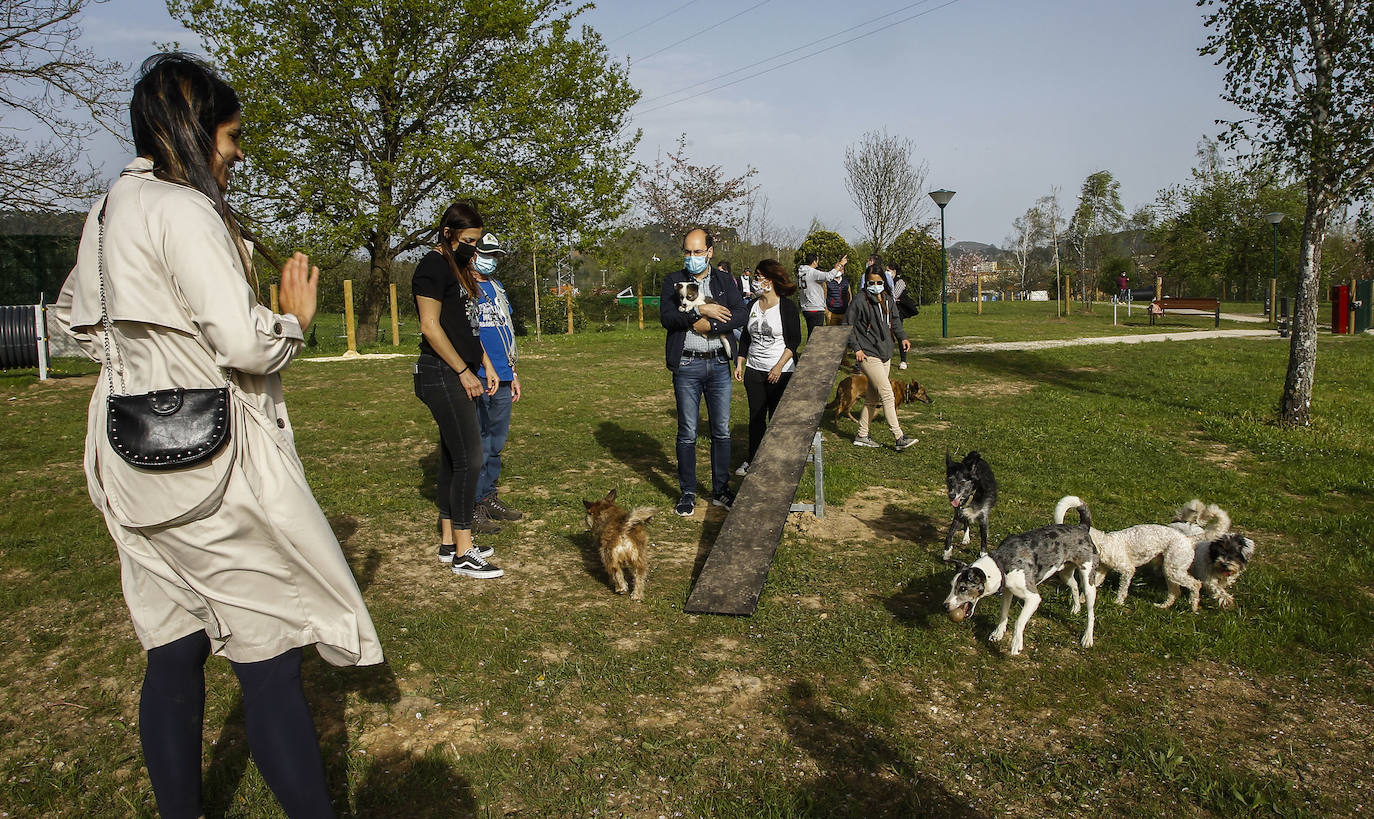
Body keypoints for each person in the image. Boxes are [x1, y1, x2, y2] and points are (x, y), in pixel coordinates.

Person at [52, 53, 382, 819]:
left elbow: (74, 317)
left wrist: (142, 355)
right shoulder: (183, 208)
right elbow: (239, 341)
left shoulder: (108, 209)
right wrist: (292, 321)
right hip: (204, 475)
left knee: (172, 651)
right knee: (268, 660)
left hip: (124, 462)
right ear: (196, 131)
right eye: (231, 136)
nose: (237, 153)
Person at [412, 202, 504, 578]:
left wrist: (485, 363)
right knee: (471, 457)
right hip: (440, 373)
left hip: (461, 369)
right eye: (468, 240)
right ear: (447, 234)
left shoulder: (456, 266)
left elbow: (465, 327)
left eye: (477, 241)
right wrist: (465, 371)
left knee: (454, 458)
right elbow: (431, 327)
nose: (474, 248)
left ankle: (451, 542)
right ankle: (466, 553)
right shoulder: (432, 267)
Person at [660, 228, 745, 516]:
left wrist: (712, 325)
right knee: (687, 432)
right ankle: (687, 493)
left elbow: (740, 313)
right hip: (687, 365)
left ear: (710, 251)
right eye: (687, 252)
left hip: (720, 364)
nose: (692, 257)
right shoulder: (673, 281)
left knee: (721, 431)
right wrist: (699, 313)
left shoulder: (724, 281)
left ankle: (721, 490)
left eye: (698, 252)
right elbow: (668, 317)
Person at [470, 231, 525, 528]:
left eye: (495, 256)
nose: (491, 261)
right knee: (479, 442)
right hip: (478, 377)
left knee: (497, 442)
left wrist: (512, 372)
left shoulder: (497, 288)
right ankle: (474, 503)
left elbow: (507, 333)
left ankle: (489, 496)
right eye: (486, 255)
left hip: (504, 376)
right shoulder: (465, 289)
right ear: (473, 254)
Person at [732, 259, 800, 475]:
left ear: (770, 281)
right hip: (755, 370)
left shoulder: (787, 307)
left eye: (759, 277)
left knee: (778, 418)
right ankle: (753, 460)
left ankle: (779, 461)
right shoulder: (752, 305)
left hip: (781, 371)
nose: (755, 281)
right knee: (756, 417)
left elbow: (794, 341)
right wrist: (740, 362)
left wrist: (779, 366)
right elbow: (745, 337)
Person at [845, 266, 917, 451]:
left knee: (872, 396)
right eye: (871, 283)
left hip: (885, 353)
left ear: (884, 282)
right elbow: (848, 326)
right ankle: (899, 436)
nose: (875, 286)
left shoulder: (887, 299)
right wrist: (857, 348)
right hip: (868, 354)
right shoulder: (859, 301)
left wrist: (903, 337)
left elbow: (895, 321)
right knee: (887, 393)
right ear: (866, 282)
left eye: (879, 282)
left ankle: (862, 435)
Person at [797, 251, 847, 336]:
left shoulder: (800, 273)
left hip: (806, 308)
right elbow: (829, 276)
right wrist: (840, 264)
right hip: (815, 307)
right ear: (814, 261)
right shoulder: (812, 272)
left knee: (811, 334)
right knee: (815, 337)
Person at [888, 262, 920, 370]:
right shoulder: (886, 281)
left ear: (894, 271)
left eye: (889, 270)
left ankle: (903, 360)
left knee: (899, 335)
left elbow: (894, 296)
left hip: (898, 312)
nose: (887, 272)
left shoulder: (899, 282)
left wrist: (892, 298)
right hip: (887, 311)